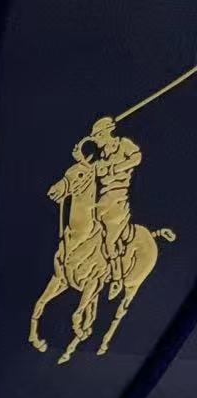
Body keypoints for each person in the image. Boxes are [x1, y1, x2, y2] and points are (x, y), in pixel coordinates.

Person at [85, 115, 143, 299]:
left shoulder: (123, 144)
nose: (95, 141)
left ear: (105, 133)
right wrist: (82, 160)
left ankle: (117, 277)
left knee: (110, 240)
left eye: (97, 136)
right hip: (101, 200)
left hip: (118, 199)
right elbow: (91, 171)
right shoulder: (101, 155)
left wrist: (113, 168)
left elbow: (137, 157)